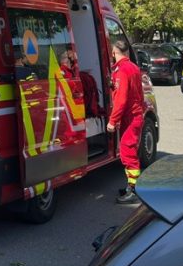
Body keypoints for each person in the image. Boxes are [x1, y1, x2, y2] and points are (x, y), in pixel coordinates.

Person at [107, 39, 145, 204]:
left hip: (129, 117)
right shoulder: (133, 68)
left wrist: (112, 120)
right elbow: (140, 95)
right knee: (129, 152)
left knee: (128, 154)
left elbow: (121, 99)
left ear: (114, 53)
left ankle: (135, 190)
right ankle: (132, 185)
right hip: (134, 115)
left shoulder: (122, 70)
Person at [60, 49, 102, 118]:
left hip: (74, 112)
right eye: (75, 60)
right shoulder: (70, 75)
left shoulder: (72, 74)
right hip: (79, 113)